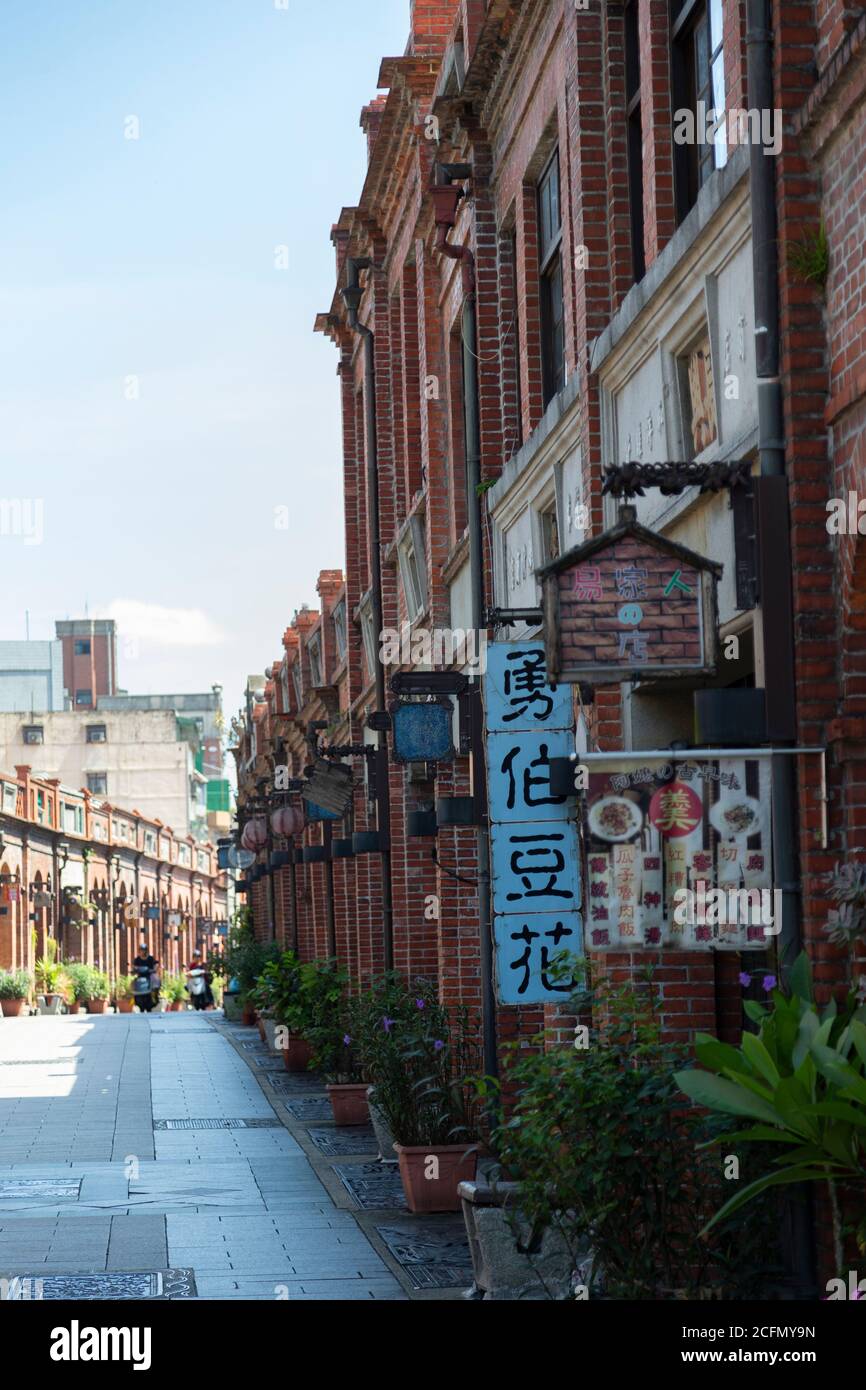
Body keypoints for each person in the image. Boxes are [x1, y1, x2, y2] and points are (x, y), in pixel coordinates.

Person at [132, 947, 157, 1013]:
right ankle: (134, 997)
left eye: (143, 950)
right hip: (140, 976)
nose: (142, 952)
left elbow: (155, 964)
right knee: (133, 983)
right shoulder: (137, 959)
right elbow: (134, 966)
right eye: (141, 950)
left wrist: (154, 969)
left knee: (156, 982)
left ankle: (155, 996)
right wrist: (134, 969)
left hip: (149, 975)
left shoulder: (150, 958)